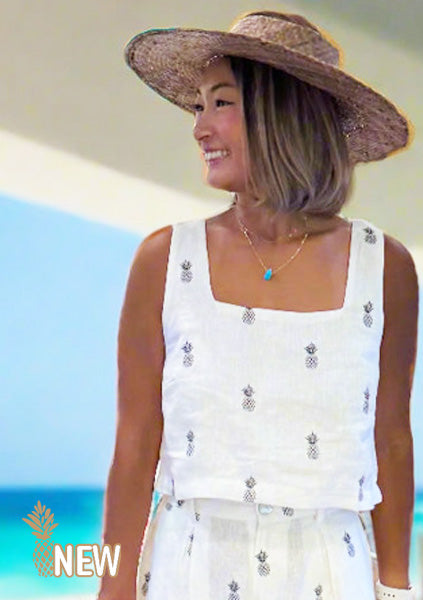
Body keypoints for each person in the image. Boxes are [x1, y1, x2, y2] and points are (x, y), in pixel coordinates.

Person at [97, 10, 418, 600]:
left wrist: (395, 589)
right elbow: (135, 443)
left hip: (331, 571)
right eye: (198, 107)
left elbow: (391, 439)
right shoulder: (164, 260)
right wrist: (113, 588)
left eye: (220, 103)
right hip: (189, 567)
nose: (199, 128)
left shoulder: (385, 267)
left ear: (284, 114)